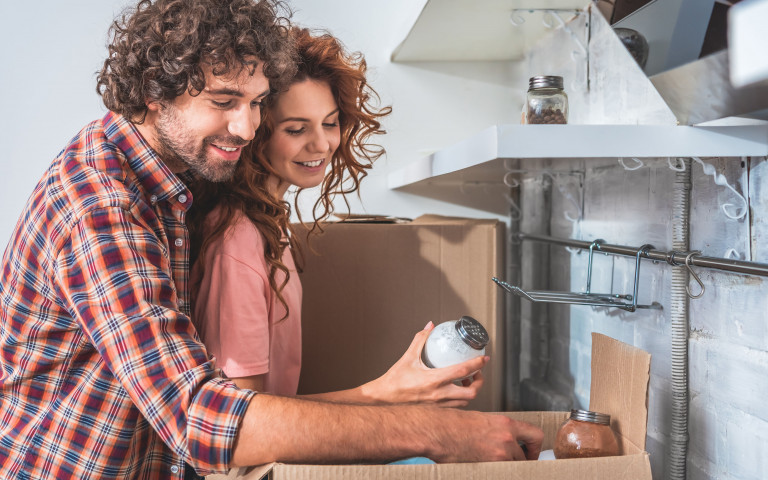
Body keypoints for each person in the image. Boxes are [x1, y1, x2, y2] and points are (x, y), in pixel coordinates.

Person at [0, 1, 543, 479]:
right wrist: (435, 434)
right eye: (223, 100)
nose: (245, 127)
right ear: (151, 93)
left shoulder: (167, 183)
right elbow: (201, 418)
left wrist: (384, 397)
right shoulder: (100, 207)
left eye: (258, 102)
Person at [188, 27, 484, 408]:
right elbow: (244, 417)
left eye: (329, 123)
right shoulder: (238, 240)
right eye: (296, 129)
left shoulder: (268, 223)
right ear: (255, 132)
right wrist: (387, 395)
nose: (322, 144)